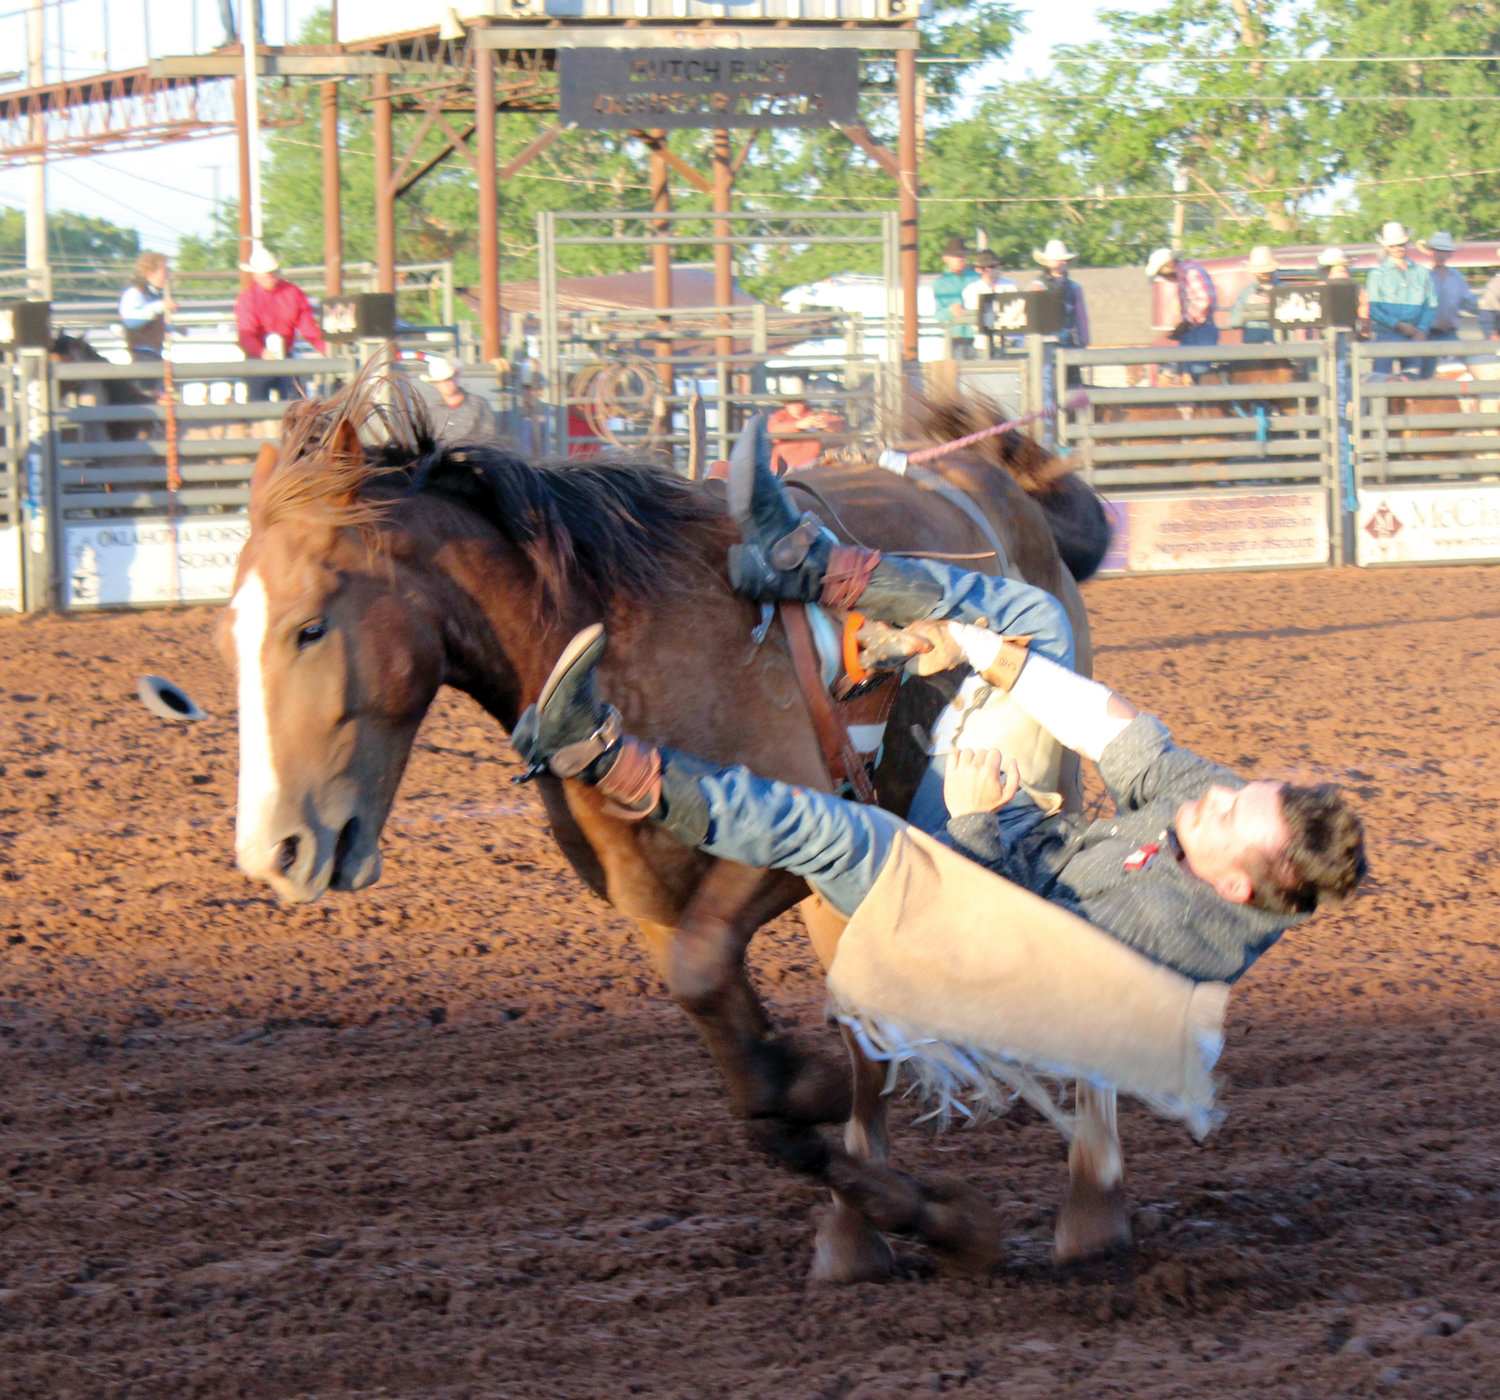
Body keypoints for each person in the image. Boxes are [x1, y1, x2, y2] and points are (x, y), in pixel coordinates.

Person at [510, 447, 1367, 992]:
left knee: (833, 831)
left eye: (1227, 815)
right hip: (997, 829)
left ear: (1234, 887)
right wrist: (981, 651)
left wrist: (976, 818)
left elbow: (1024, 954)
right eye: (1233, 793)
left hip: (971, 915)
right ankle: (812, 563)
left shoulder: (1177, 935)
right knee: (1043, 621)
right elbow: (1124, 734)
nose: (1215, 795)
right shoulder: (1212, 809)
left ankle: (601, 756)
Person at [234, 243, 328, 403]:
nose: (269, 276)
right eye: (265, 273)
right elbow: (246, 334)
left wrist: (324, 348)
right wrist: (261, 352)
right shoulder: (248, 299)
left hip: (283, 356)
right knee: (258, 402)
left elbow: (308, 327)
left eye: (271, 272)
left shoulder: (292, 293)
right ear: (255, 275)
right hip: (259, 358)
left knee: (296, 402)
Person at [1366, 221, 1436, 378]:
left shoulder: (1422, 273)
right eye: (1393, 245)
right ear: (1387, 248)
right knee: (1380, 380)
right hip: (1387, 334)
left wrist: (1423, 329)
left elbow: (1431, 305)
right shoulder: (1377, 274)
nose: (1398, 248)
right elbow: (1374, 309)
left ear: (1407, 244)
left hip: (1414, 334)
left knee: (1412, 381)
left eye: (1401, 244)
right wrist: (1397, 324)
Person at [1146, 247, 1219, 379]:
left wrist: (1187, 321)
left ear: (1168, 265)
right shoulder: (1187, 272)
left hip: (1200, 329)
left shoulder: (1190, 272)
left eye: (1161, 272)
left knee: (1197, 374)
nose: (1162, 276)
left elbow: (1204, 300)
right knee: (1190, 375)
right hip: (1198, 327)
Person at [766, 376, 846, 475]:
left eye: (797, 400)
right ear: (785, 403)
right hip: (783, 469)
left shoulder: (814, 414)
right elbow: (773, 429)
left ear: (804, 401)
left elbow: (840, 425)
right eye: (790, 401)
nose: (794, 404)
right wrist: (799, 425)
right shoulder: (780, 416)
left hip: (810, 468)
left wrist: (827, 425)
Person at [420, 356, 500, 445]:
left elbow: (488, 437)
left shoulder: (479, 405)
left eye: (448, 378)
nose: (444, 384)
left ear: (456, 376)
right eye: (439, 381)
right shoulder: (432, 412)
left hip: (474, 457)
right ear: (435, 384)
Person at [117, 251, 178, 363]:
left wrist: (174, 328)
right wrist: (160, 306)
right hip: (142, 354)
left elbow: (150, 322)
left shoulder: (148, 295)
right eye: (164, 271)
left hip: (151, 354)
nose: (167, 275)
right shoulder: (134, 293)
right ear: (151, 273)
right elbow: (131, 320)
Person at [958, 250, 1017, 356]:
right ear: (978, 270)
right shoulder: (971, 290)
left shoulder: (1010, 285)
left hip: (1010, 341)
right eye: (986, 268)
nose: (990, 271)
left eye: (993, 267)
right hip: (984, 344)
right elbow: (978, 315)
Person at [1425, 231, 1480, 343]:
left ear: (1449, 254)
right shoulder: (1422, 276)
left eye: (1444, 251)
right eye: (1438, 251)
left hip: (1450, 332)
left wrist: (1487, 306)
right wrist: (1433, 322)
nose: (1441, 255)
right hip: (1427, 334)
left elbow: (1468, 301)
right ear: (1431, 252)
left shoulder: (1456, 277)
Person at [932, 235, 979, 360]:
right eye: (956, 256)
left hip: (978, 337)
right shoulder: (940, 283)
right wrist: (950, 312)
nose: (960, 259)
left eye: (963, 256)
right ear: (946, 258)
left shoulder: (977, 278)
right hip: (955, 338)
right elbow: (938, 316)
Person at [1228, 246, 1281, 345]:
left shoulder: (1284, 290)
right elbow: (1234, 322)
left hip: (1280, 348)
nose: (1263, 273)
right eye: (1260, 270)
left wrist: (1276, 302)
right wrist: (1248, 307)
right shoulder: (1246, 292)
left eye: (1266, 270)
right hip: (1253, 349)